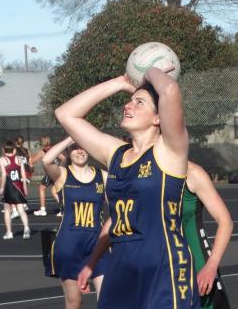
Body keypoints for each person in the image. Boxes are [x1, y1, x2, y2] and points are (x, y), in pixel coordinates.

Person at [55, 67, 199, 308]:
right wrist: (120, 82)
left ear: (157, 118)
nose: (128, 106)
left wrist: (149, 71)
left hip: (163, 268)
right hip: (122, 265)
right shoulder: (116, 154)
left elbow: (170, 89)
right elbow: (66, 114)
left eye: (139, 102)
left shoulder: (170, 150)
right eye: (129, 101)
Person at [79, 161, 234, 308]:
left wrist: (211, 265)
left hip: (196, 268)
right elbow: (116, 220)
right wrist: (91, 263)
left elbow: (225, 221)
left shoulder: (192, 173)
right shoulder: (141, 177)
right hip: (158, 269)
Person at [42, 136, 109, 308]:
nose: (79, 150)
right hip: (68, 246)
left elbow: (119, 209)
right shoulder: (62, 174)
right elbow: (47, 159)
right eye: (74, 148)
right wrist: (72, 136)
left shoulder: (103, 176)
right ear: (68, 152)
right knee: (74, 303)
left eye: (83, 146)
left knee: (107, 300)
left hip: (97, 244)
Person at [0, 140, 31, 240]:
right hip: (19, 186)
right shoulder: (19, 159)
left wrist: (2, 187)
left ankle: (9, 232)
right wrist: (25, 187)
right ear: (14, 150)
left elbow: (4, 175)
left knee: (7, 210)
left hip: (9, 186)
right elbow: (23, 174)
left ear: (4, 150)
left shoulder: (2, 160)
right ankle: (26, 228)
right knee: (21, 209)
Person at [32, 135, 62, 216]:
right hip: (58, 171)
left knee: (41, 188)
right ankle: (64, 208)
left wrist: (28, 157)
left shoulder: (42, 151)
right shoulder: (54, 149)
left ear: (42, 142)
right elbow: (63, 158)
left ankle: (43, 209)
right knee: (54, 191)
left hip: (50, 172)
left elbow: (33, 160)